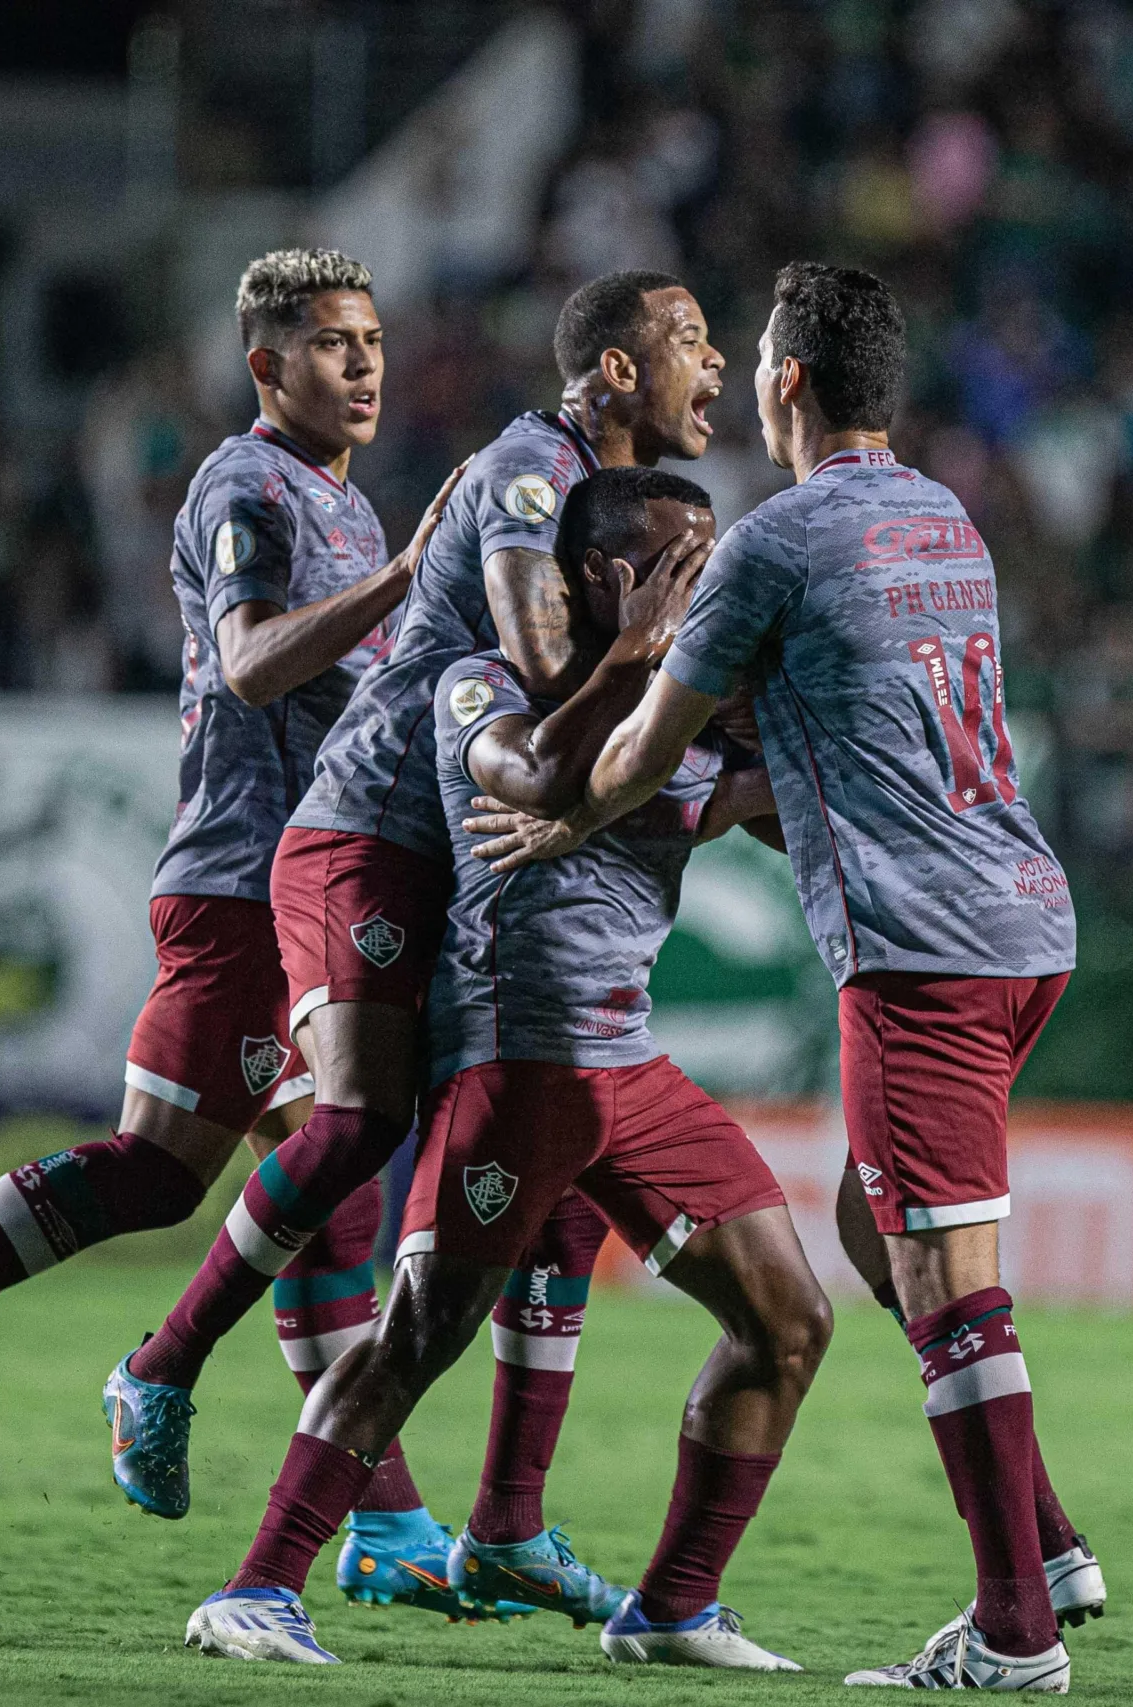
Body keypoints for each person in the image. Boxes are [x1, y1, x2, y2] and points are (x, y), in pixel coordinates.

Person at [0, 250, 467, 1615]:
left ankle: (382, 1522)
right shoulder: (244, 485)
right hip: (243, 878)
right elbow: (259, 656)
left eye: (374, 340)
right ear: (268, 367)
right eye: (332, 344)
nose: (366, 365)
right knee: (165, 1173)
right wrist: (405, 578)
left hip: (321, 877)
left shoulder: (344, 499)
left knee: (331, 1177)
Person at [490, 262, 1090, 1692]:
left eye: (751, 354)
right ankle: (1051, 1542)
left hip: (924, 951)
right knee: (876, 1230)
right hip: (1026, 921)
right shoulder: (948, 519)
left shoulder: (773, 542)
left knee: (946, 1280)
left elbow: (639, 750)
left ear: (786, 382)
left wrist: (558, 812)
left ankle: (1018, 1630)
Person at [107, 271, 728, 1623]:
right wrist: (689, 685)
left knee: (548, 1161)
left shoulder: (612, 501)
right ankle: (164, 1362)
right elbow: (550, 674)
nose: (717, 364)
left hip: (469, 854)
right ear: (616, 373)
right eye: (689, 342)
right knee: (357, 1116)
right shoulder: (524, 472)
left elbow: (610, 724)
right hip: (377, 825)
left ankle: (505, 1523)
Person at [185, 468, 829, 1672]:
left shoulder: (685, 696)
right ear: (603, 576)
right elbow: (533, 779)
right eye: (682, 558)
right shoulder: (478, 679)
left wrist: (793, 712)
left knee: (787, 1321)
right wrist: (632, 664)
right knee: (418, 1335)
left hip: (626, 1066)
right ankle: (256, 1590)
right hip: (514, 1064)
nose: (708, 575)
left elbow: (766, 803)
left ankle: (674, 1609)